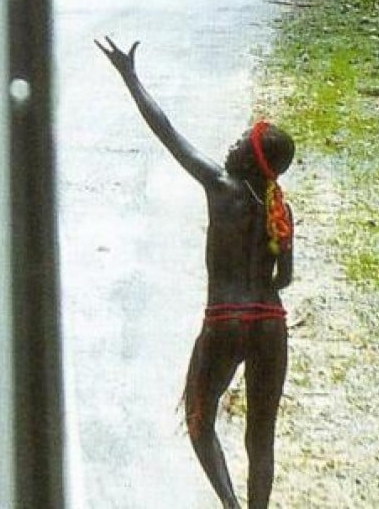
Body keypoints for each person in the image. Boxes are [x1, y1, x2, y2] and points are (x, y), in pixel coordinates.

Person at [95, 37, 295, 509]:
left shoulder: (220, 186)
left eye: (240, 142)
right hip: (271, 323)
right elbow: (284, 279)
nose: (231, 143)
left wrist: (131, 78)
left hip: (224, 321)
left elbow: (167, 133)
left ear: (248, 158)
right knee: (260, 436)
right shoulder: (279, 209)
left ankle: (228, 505)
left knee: (199, 419)